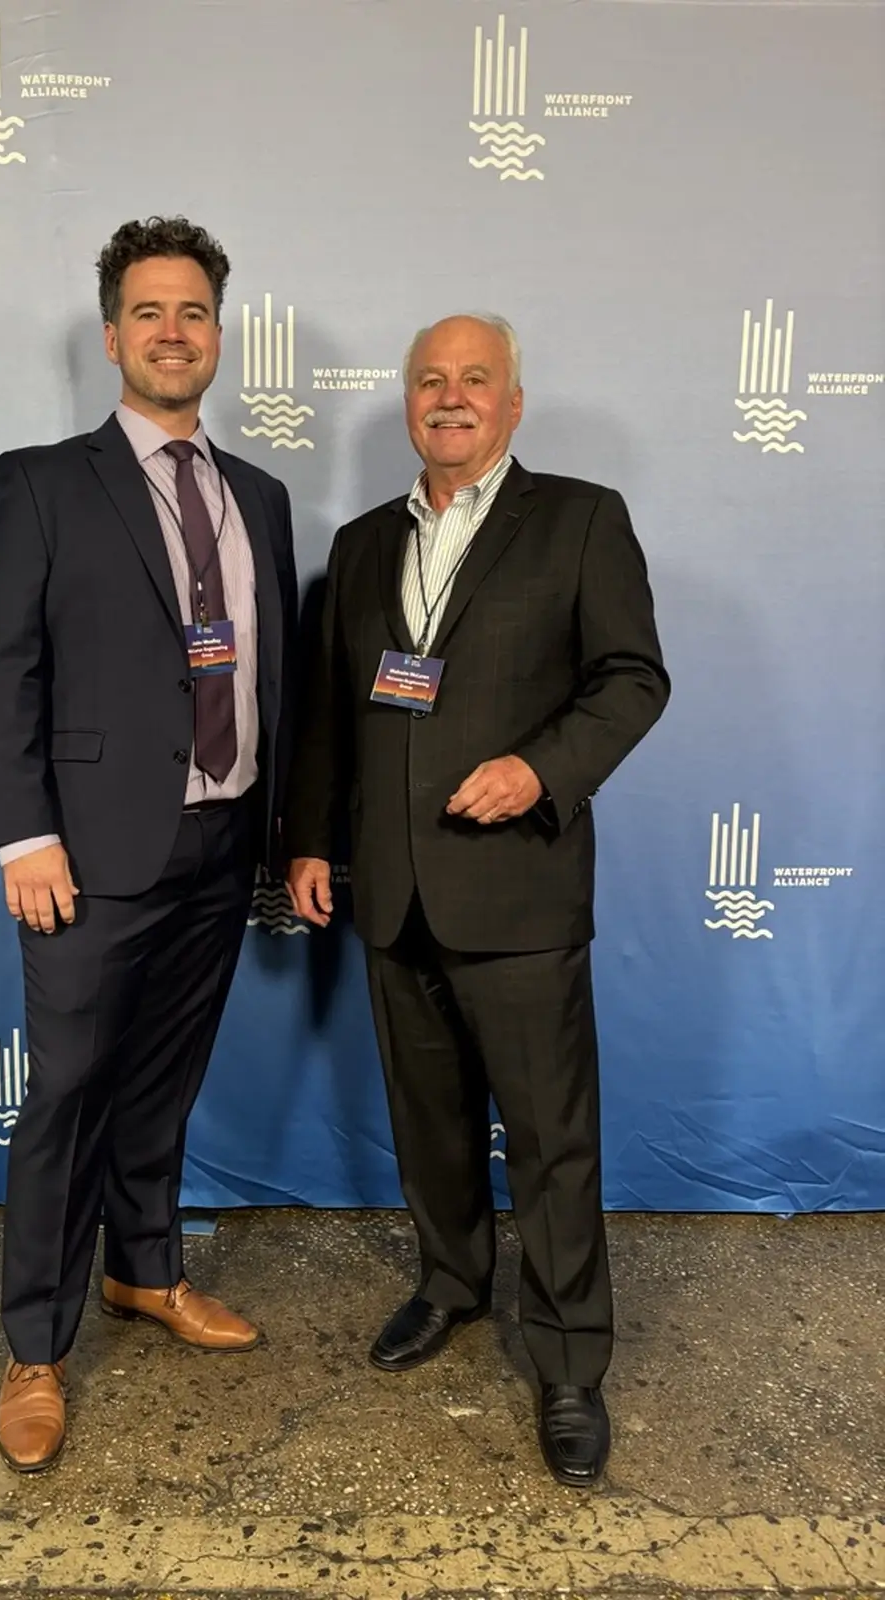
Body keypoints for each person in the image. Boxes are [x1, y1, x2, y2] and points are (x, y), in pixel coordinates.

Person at [284, 313, 669, 1487]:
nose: (450, 398)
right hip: (393, 892)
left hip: (519, 894)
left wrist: (542, 769)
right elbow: (329, 714)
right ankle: (451, 1284)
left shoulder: (582, 519)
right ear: (409, 403)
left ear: (513, 404)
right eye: (430, 381)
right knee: (430, 1118)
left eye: (475, 381)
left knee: (552, 1142)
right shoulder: (356, 546)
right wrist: (309, 841)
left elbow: (632, 678)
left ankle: (567, 1361)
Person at [0, 217, 297, 1473]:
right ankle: (35, 1346)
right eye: (149, 312)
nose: (173, 331)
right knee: (67, 1099)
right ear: (112, 336)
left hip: (223, 847)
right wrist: (24, 838)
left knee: (164, 1081)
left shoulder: (257, 497)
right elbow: (0, 675)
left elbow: (276, 678)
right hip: (90, 856)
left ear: (221, 334)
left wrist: (284, 834)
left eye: (195, 312)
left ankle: (144, 1272)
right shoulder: (43, 483)